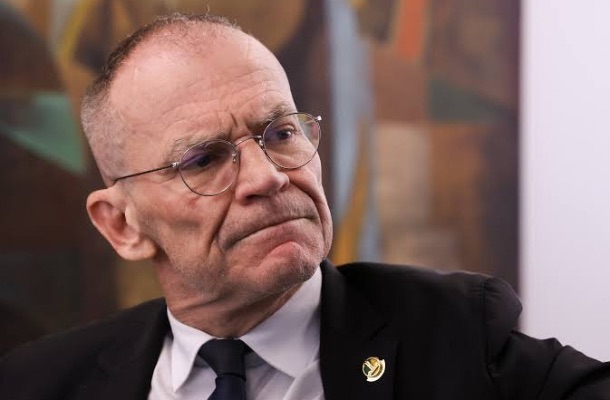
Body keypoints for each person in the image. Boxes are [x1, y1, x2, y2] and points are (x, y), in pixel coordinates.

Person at [1, 13, 608, 400]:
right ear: (123, 224)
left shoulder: (455, 336)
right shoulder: (36, 384)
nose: (267, 177)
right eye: (204, 160)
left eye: (281, 133)